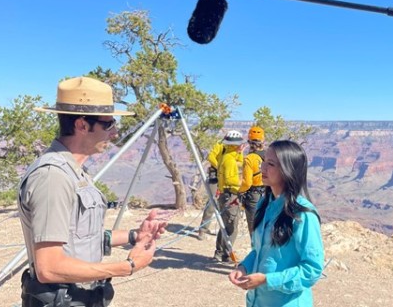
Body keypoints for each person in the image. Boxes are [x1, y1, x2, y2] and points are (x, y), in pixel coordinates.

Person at [18, 77, 168, 307]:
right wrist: (128, 266)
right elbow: (49, 267)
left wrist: (135, 235)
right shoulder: (53, 177)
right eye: (108, 124)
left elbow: (79, 237)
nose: (115, 132)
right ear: (81, 125)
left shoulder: (72, 171)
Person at [229, 140, 324, 306]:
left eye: (271, 164)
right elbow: (259, 251)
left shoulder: (302, 214)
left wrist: (267, 280)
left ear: (288, 170)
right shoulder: (264, 204)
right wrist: (244, 267)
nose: (262, 168)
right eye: (264, 161)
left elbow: (312, 270)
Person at [198, 131, 244, 240]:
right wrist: (221, 167)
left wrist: (230, 165)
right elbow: (211, 157)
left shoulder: (237, 150)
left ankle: (222, 229)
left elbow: (240, 161)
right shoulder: (220, 145)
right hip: (216, 175)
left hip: (228, 176)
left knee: (225, 204)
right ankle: (203, 230)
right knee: (212, 201)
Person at [213, 130, 245, 263]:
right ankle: (226, 254)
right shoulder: (230, 160)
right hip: (231, 195)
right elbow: (230, 180)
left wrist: (240, 152)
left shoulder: (226, 156)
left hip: (224, 194)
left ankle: (219, 252)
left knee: (224, 224)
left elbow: (240, 161)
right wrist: (243, 185)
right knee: (231, 226)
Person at [238, 126, 266, 235]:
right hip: (268, 194)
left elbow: (247, 183)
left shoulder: (249, 159)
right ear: (262, 140)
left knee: (254, 229)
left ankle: (256, 251)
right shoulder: (269, 155)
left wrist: (239, 191)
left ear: (249, 141)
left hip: (254, 196)